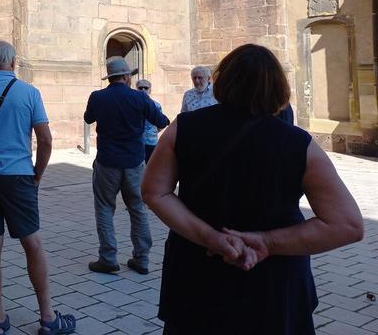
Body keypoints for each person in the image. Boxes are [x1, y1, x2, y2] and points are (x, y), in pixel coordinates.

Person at [142, 44, 363, 334]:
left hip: (197, 272)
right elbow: (347, 224)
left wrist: (210, 237)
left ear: (222, 81)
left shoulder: (183, 129)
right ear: (278, 89)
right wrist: (267, 243)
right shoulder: (299, 144)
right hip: (272, 280)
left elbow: (154, 192)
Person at [0, 41, 76, 335]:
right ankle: (47, 318)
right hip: (19, 176)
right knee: (32, 244)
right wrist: (38, 175)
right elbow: (45, 140)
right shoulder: (29, 93)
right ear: (13, 61)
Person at [84, 57, 169, 276]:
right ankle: (141, 258)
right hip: (134, 162)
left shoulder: (98, 97)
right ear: (126, 77)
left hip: (107, 162)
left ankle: (108, 258)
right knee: (138, 209)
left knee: (104, 208)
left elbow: (88, 118)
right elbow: (162, 121)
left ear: (110, 77)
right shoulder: (140, 98)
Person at [135, 79, 163, 163]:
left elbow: (160, 124)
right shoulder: (132, 104)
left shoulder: (156, 105)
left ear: (150, 90)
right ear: (137, 89)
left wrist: (152, 132)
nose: (143, 90)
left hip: (151, 142)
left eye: (146, 88)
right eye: (140, 88)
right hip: (136, 142)